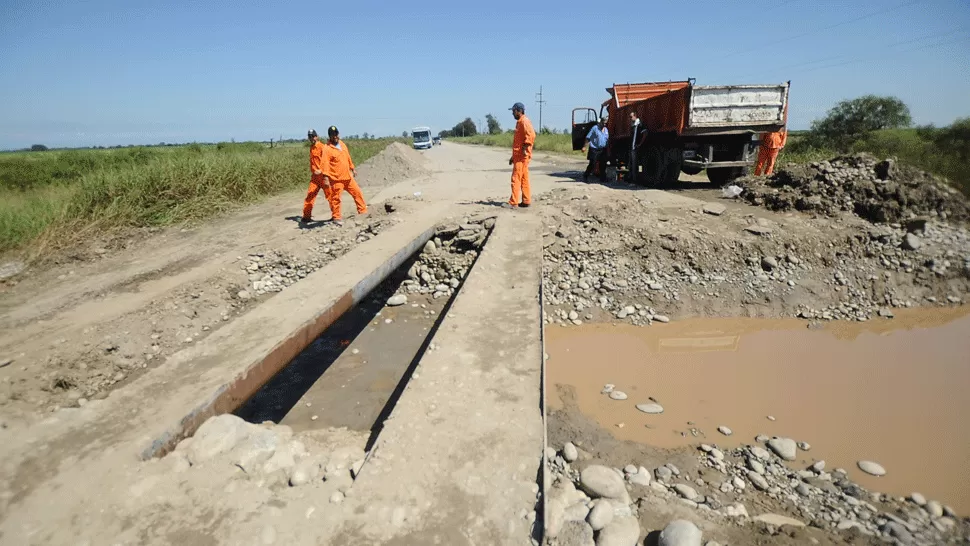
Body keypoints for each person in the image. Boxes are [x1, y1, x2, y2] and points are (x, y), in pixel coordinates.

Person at [321, 126, 367, 226]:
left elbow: (347, 157)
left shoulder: (342, 144)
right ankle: (336, 217)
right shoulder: (327, 148)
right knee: (336, 198)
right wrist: (325, 178)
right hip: (337, 179)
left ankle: (363, 211)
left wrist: (352, 168)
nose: (335, 136)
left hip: (348, 177)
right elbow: (325, 163)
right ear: (329, 136)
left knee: (357, 193)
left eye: (336, 134)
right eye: (332, 135)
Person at [507, 102, 536, 208]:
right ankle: (526, 200)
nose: (512, 114)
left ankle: (513, 202)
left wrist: (525, 148)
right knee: (524, 178)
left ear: (519, 111)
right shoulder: (520, 122)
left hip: (521, 156)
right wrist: (513, 157)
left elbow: (531, 135)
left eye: (513, 111)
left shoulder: (524, 121)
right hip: (519, 155)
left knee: (516, 178)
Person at [301, 129, 331, 224]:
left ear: (316, 136)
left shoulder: (323, 147)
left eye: (312, 136)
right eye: (309, 136)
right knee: (309, 196)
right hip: (314, 178)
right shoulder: (312, 147)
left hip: (323, 177)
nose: (311, 138)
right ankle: (306, 216)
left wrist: (322, 171)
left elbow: (327, 161)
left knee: (330, 196)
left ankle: (336, 215)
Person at [582, 116, 609, 182]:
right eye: (604, 123)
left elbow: (607, 139)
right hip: (594, 149)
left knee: (603, 164)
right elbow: (588, 137)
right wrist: (584, 146)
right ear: (601, 122)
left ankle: (603, 178)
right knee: (592, 164)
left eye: (606, 123)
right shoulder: (595, 128)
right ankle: (585, 175)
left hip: (603, 149)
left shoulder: (606, 130)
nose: (605, 125)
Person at [627, 111, 647, 183]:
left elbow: (645, 134)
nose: (630, 118)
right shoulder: (633, 126)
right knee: (632, 164)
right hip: (632, 147)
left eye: (631, 117)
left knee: (635, 165)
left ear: (635, 116)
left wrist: (640, 144)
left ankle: (635, 181)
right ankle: (631, 179)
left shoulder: (640, 124)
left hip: (636, 148)